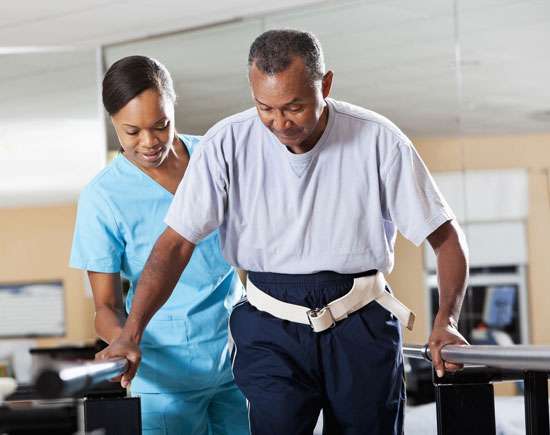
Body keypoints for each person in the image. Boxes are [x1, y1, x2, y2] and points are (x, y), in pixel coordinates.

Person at [99, 31, 469, 435]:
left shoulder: (379, 140)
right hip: (269, 325)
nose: (280, 123)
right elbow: (175, 244)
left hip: (360, 318)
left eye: (294, 106)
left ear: (324, 85)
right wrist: (130, 334)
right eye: (266, 108)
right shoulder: (226, 142)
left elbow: (445, 238)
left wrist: (446, 320)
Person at [70, 55, 249, 435]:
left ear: (172, 108)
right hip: (162, 373)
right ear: (113, 122)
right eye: (131, 131)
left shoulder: (212, 157)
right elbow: (105, 306)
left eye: (161, 125)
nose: (149, 142)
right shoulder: (103, 197)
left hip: (237, 358)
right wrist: (123, 340)